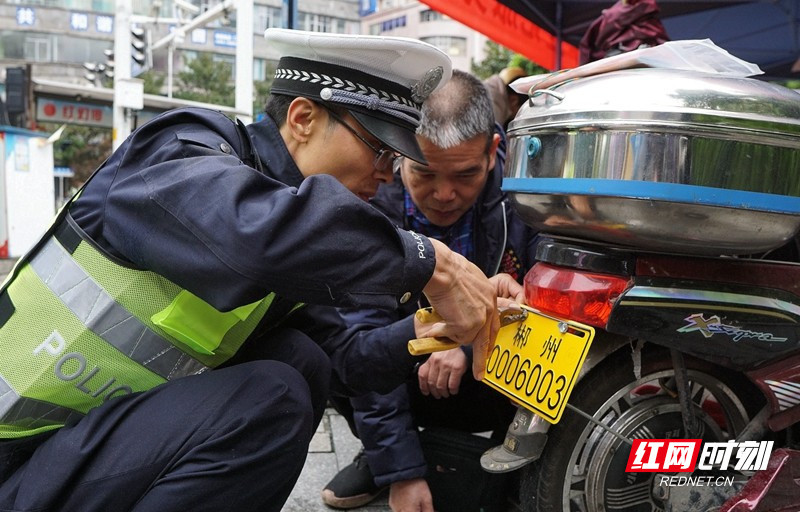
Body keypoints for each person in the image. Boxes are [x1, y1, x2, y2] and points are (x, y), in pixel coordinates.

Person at [0, 29, 506, 512]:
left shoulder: (298, 239)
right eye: (378, 148)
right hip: (14, 456)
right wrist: (432, 264)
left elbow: (347, 363)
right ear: (303, 117)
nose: (384, 173)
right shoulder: (181, 148)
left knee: (302, 361)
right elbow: (252, 233)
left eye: (395, 159)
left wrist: (432, 329)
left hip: (81, 446)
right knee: (270, 398)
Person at [321, 70, 539, 512]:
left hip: (492, 376)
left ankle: (519, 459)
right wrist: (403, 474)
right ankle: (386, 454)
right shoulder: (368, 207)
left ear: (494, 153)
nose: (443, 194)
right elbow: (361, 345)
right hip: (404, 374)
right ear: (400, 155)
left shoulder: (527, 197)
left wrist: (472, 334)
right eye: (424, 173)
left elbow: (552, 297)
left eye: (465, 175)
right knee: (325, 352)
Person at [483, 66, 528, 130]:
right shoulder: (494, 105)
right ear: (514, 101)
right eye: (519, 112)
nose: (515, 118)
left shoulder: (489, 90)